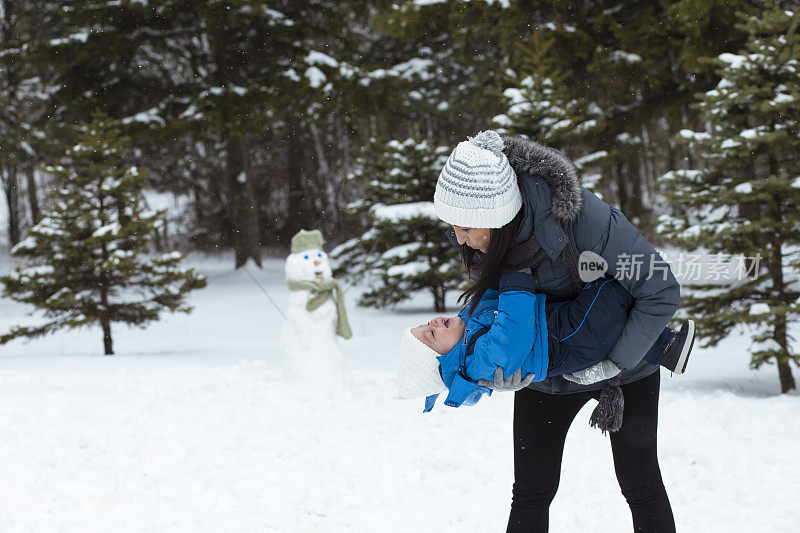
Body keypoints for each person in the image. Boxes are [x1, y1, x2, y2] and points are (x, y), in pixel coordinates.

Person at [432, 130, 682, 532]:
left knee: (641, 486)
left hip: (624, 369)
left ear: (496, 216)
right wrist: (499, 364)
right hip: (545, 374)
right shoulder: (483, 242)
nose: (458, 239)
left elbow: (661, 290)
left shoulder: (585, 219)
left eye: (465, 228)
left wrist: (615, 363)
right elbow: (497, 309)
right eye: (453, 227)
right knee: (532, 491)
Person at [397, 270, 695, 414]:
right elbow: (514, 332)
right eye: (432, 335)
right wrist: (516, 275)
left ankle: (666, 349)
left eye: (426, 325)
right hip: (565, 338)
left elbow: (488, 298)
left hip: (561, 331)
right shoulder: (479, 359)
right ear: (446, 360)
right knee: (609, 287)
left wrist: (494, 269)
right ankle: (662, 346)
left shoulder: (470, 335)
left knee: (614, 321)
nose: (434, 323)